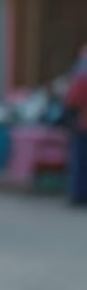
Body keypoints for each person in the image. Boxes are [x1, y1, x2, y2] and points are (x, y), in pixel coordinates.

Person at [63, 43, 87, 205]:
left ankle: (78, 194)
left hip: (83, 124)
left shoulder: (81, 77)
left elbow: (72, 99)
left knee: (80, 162)